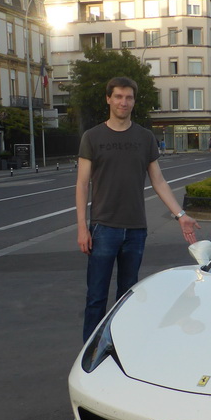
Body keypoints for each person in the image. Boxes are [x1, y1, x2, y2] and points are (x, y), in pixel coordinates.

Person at [77, 76, 200, 342]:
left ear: (134, 100)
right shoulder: (93, 137)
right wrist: (81, 228)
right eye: (118, 96)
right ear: (108, 99)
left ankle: (123, 344)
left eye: (129, 97)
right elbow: (82, 184)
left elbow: (158, 180)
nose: (124, 102)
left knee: (127, 296)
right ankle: (90, 351)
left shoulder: (144, 138)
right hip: (103, 228)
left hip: (135, 231)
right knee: (96, 296)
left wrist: (181, 215)